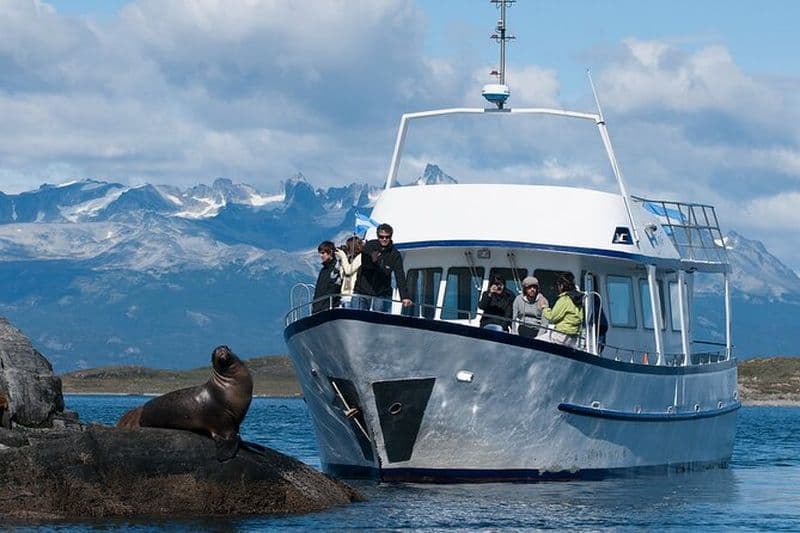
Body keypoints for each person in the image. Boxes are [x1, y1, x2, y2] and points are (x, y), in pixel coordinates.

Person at [353, 223, 412, 312]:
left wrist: (405, 296)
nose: (384, 239)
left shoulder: (394, 254)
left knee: (379, 318)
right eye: (381, 237)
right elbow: (365, 264)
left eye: (387, 237)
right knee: (355, 317)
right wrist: (373, 260)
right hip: (362, 291)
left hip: (381, 293)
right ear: (378, 236)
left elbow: (400, 275)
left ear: (390, 237)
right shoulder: (370, 246)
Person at [538, 272, 584, 348]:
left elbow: (552, 317)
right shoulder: (578, 300)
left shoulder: (565, 299)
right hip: (573, 338)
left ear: (562, 286)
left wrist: (544, 307)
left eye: (558, 286)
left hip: (561, 336)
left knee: (536, 342)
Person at [312, 240, 342, 313]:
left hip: (329, 309)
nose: (321, 256)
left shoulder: (336, 269)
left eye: (323, 253)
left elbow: (334, 288)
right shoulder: (323, 270)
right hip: (317, 309)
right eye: (320, 253)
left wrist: (327, 306)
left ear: (330, 252)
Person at [335, 236, 363, 307]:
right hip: (344, 294)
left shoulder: (361, 257)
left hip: (352, 294)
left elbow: (348, 271)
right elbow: (343, 275)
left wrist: (343, 256)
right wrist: (343, 260)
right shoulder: (349, 259)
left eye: (348, 247)